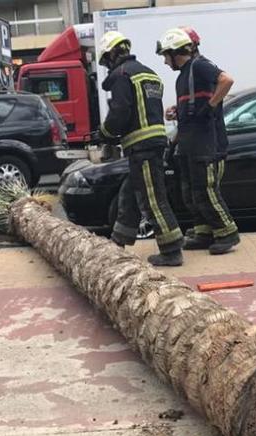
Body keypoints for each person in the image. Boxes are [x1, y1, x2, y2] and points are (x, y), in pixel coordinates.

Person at [95, 31, 184, 267]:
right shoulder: (149, 74)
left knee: (153, 199)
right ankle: (118, 241)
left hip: (142, 147)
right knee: (129, 193)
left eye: (106, 60)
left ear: (113, 54)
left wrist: (104, 133)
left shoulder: (122, 75)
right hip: (151, 144)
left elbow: (121, 112)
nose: (107, 65)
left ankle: (172, 249)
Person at [157, 28, 239, 255]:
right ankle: (204, 232)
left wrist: (210, 106)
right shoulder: (184, 74)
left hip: (207, 144)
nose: (165, 61)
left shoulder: (200, 65)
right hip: (190, 144)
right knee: (191, 193)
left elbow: (226, 80)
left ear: (177, 52)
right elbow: (193, 103)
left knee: (206, 191)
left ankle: (227, 233)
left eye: (166, 55)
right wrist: (178, 110)